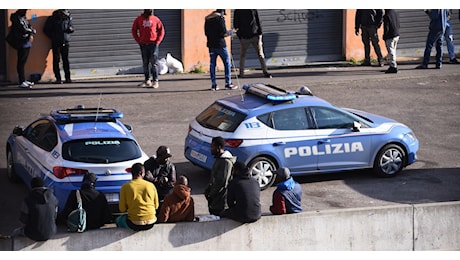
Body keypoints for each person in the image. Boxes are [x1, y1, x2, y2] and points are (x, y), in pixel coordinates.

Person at [116, 163, 159, 231]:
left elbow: (122, 209)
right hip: (151, 221)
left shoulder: (125, 187)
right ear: (142, 174)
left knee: (118, 220)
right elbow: (156, 206)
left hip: (134, 223)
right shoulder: (151, 185)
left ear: (132, 173)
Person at [204, 9, 238, 91]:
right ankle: (228, 83)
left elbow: (206, 33)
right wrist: (232, 31)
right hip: (220, 45)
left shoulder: (207, 19)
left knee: (212, 64)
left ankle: (214, 85)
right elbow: (224, 33)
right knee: (227, 63)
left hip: (211, 44)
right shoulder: (220, 19)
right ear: (222, 12)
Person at [233, 9, 272, 78]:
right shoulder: (252, 9)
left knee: (243, 55)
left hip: (246, 36)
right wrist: (259, 33)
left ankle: (241, 74)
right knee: (260, 54)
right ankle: (265, 71)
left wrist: (240, 36)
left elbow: (236, 25)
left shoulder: (238, 10)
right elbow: (257, 21)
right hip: (254, 35)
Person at [132, 9, 165, 89]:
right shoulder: (139, 19)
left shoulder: (155, 19)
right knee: (145, 63)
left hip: (153, 44)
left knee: (154, 63)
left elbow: (161, 30)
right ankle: (147, 80)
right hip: (144, 44)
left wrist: (158, 41)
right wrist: (139, 41)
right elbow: (134, 30)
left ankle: (155, 81)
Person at [18, 176, 58, 241]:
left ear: (32, 187)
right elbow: (54, 216)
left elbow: (23, 220)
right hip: (51, 232)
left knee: (16, 232)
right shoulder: (53, 198)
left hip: (33, 234)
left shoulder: (28, 200)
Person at [204, 136, 236, 216]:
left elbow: (222, 182)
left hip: (220, 201)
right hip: (216, 200)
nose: (211, 149)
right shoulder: (219, 160)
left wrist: (211, 194)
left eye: (212, 146)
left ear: (219, 147)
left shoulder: (225, 162)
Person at [43, 9, 75, 84]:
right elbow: (46, 30)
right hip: (56, 42)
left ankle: (68, 78)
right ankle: (58, 78)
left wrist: (71, 29)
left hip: (65, 42)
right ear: (60, 13)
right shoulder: (52, 19)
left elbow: (72, 27)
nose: (65, 16)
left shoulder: (68, 18)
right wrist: (54, 36)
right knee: (56, 60)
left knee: (65, 60)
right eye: (63, 15)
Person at [10, 9, 36, 89]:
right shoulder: (16, 18)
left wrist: (31, 32)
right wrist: (32, 31)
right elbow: (23, 28)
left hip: (26, 41)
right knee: (21, 62)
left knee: (23, 61)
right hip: (21, 41)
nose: (26, 11)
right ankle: (21, 81)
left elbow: (28, 26)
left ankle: (23, 80)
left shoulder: (23, 17)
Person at [383, 9, 400, 74]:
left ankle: (393, 66)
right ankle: (393, 64)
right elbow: (398, 23)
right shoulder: (395, 12)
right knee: (393, 50)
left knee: (391, 50)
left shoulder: (387, 14)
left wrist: (385, 36)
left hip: (390, 35)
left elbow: (386, 26)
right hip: (396, 34)